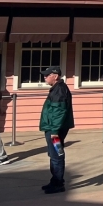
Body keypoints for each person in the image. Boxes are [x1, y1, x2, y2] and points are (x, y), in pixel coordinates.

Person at [39, 66, 74, 194]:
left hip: (55, 130)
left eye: (47, 75)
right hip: (53, 128)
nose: (45, 77)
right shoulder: (56, 89)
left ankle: (58, 183)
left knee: (56, 155)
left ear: (55, 76)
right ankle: (55, 181)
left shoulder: (59, 90)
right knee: (54, 154)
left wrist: (54, 130)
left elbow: (59, 112)